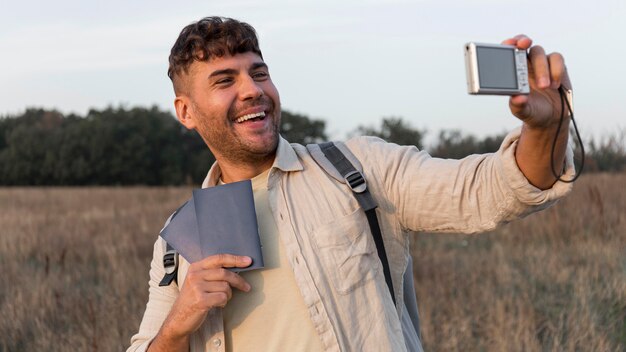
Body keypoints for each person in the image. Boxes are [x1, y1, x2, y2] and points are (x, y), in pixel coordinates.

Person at [128, 16, 575, 352]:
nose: (252, 90)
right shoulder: (178, 240)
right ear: (185, 112)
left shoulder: (355, 169)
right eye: (226, 80)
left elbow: (492, 191)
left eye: (259, 73)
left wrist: (546, 128)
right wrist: (179, 323)